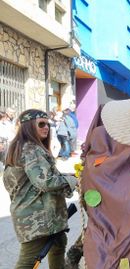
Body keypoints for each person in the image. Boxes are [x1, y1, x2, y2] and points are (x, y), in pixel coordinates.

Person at [2, 109, 77, 269]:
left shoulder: (23, 147)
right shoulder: (31, 149)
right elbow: (46, 182)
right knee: (28, 262)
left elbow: (37, 179)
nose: (47, 128)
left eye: (48, 124)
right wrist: (72, 180)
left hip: (41, 217)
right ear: (28, 126)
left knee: (58, 244)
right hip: (37, 220)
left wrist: (66, 176)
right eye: (41, 124)